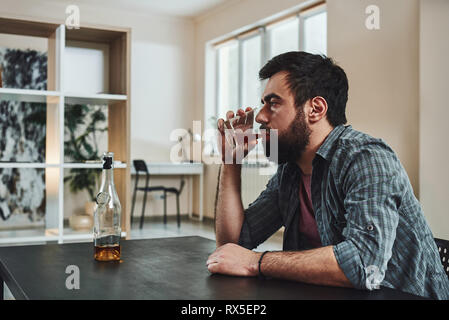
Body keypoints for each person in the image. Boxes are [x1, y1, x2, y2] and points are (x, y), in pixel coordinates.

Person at [206, 51, 449, 300]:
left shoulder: (366, 158)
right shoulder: (291, 170)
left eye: (274, 103)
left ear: (316, 108)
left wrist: (256, 262)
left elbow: (365, 265)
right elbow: (232, 243)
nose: (260, 116)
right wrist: (231, 161)